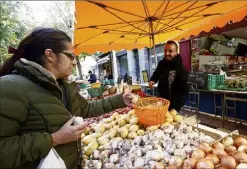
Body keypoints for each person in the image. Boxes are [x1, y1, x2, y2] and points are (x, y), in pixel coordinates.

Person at [0, 27, 131, 169]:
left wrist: (120, 100)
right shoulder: (11, 87)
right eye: (70, 56)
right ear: (50, 55)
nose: (74, 62)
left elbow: (86, 108)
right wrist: (54, 139)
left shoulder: (63, 86)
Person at [149, 40, 189, 112]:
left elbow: (185, 91)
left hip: (174, 106)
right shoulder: (161, 64)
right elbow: (156, 73)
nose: (167, 53)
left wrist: (176, 107)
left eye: (170, 51)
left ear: (176, 52)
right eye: (165, 50)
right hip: (162, 102)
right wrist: (153, 80)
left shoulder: (181, 70)